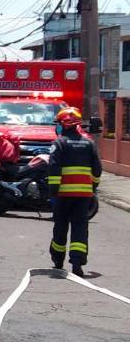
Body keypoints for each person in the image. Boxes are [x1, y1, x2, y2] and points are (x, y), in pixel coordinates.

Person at [48, 107, 102, 277]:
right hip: (83, 196)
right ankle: (77, 264)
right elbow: (97, 170)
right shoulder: (89, 143)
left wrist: (53, 191)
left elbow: (54, 168)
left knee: (60, 227)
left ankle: (58, 261)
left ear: (63, 125)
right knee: (80, 228)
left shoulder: (59, 143)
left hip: (63, 195)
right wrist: (92, 187)